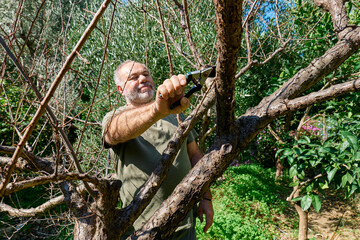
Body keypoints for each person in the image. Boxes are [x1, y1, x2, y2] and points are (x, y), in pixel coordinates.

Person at [102, 60, 214, 239]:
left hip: (185, 225)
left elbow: (194, 154)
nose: (143, 79)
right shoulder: (115, 117)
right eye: (133, 77)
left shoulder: (176, 114)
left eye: (146, 74)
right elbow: (114, 132)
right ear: (120, 89)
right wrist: (156, 110)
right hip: (143, 231)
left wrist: (206, 197)